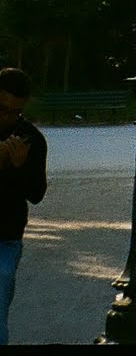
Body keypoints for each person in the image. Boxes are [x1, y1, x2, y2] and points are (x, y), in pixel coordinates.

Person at [0, 68, 46, 346]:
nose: (6, 118)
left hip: (5, 234)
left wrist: (17, 168)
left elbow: (37, 194)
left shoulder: (30, 138)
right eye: (1, 109)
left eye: (14, 112)